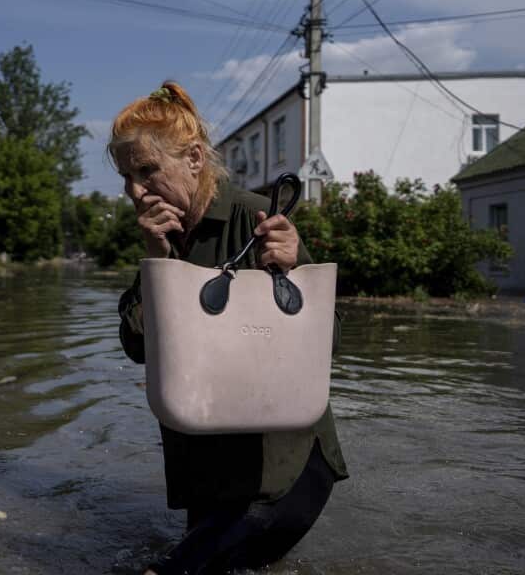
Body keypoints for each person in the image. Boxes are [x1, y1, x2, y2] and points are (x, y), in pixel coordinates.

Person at [111, 81, 348, 575]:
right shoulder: (165, 239)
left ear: (195, 158)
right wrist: (157, 264)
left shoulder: (256, 217)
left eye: (147, 170)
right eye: (127, 176)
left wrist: (285, 272)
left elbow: (332, 341)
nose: (135, 190)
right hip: (208, 474)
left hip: (282, 471)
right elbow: (137, 349)